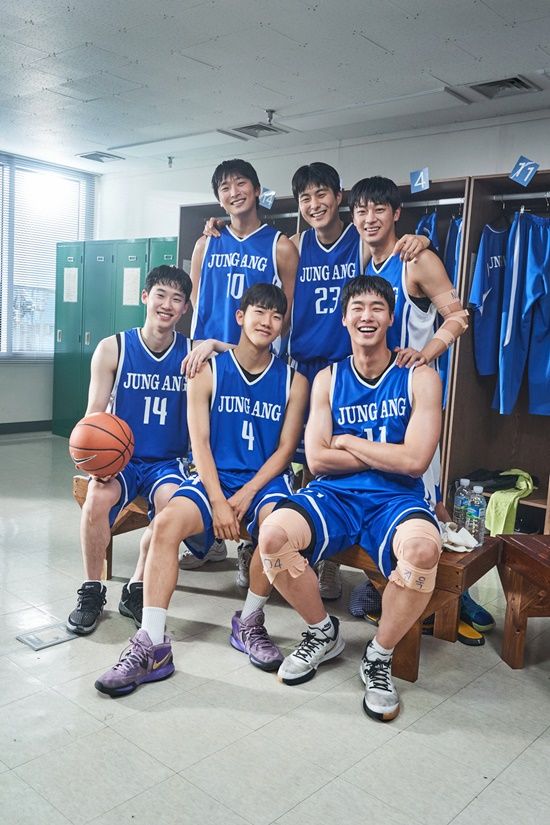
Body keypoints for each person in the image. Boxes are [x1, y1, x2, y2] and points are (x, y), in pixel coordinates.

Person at [95, 284, 309, 696]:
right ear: (240, 316)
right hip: (214, 476)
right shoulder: (207, 370)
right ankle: (151, 643)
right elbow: (200, 443)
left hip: (264, 481)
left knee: (274, 532)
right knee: (165, 525)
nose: (267, 321)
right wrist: (217, 501)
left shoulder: (294, 381)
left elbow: (285, 451)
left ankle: (249, 622)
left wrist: (246, 495)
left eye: (276, 316)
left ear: (282, 326)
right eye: (258, 312)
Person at [257, 275, 443, 721]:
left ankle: (379, 655)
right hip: (334, 494)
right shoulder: (327, 378)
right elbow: (318, 459)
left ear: (391, 317)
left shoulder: (420, 377)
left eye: (377, 307)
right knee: (273, 537)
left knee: (422, 551)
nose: (366, 316)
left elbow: (415, 461)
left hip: (396, 499)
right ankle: (323, 632)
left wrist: (349, 441)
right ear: (344, 318)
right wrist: (385, 454)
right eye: (357, 308)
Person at [350, 176, 492, 631]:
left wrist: (426, 354)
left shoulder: (416, 258)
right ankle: (381, 584)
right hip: (371, 398)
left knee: (428, 499)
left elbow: (458, 316)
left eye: (379, 209)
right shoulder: (364, 259)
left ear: (396, 213)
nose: (370, 218)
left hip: (412, 399)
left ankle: (455, 593)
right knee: (379, 492)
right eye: (361, 211)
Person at [288, 162, 432, 599]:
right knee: (310, 465)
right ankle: (320, 551)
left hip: (373, 365)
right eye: (305, 198)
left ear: (339, 198)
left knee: (400, 472)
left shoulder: (360, 240)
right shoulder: (295, 245)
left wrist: (423, 240)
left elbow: (401, 247)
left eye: (323, 194)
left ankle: (368, 571)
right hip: (309, 364)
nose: (315, 204)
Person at [67, 265, 209, 635]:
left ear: (185, 308)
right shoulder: (113, 348)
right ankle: (92, 589)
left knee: (170, 510)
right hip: (123, 461)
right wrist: (94, 463)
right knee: (96, 499)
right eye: (160, 294)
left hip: (168, 462)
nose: (167, 304)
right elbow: (93, 415)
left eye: (177, 299)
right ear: (145, 297)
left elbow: (242, 354)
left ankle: (136, 585)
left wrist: (211, 344)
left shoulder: (193, 353)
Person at [183, 158, 299, 586]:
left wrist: (229, 347)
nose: (234, 193)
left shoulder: (280, 246)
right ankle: (208, 537)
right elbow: (199, 303)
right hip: (208, 363)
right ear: (218, 198)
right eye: (225, 187)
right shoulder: (206, 243)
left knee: (250, 452)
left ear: (256, 189)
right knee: (201, 448)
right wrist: (207, 348)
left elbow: (284, 316)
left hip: (253, 366)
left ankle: (250, 538)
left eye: (241, 184)